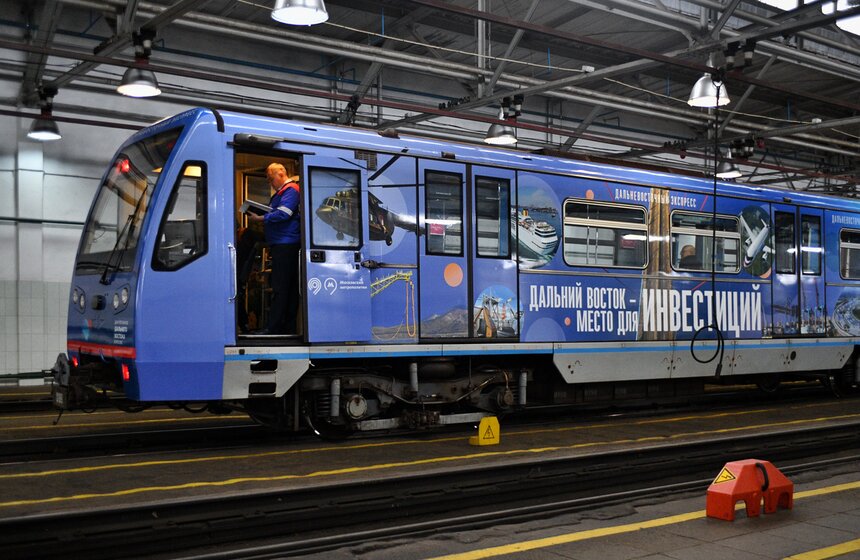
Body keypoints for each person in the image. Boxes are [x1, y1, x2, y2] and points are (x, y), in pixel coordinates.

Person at [248, 163, 300, 334]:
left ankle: (274, 328)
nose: (271, 183)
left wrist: (261, 218)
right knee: (288, 289)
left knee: (281, 288)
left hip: (286, 244)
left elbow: (284, 213)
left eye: (271, 179)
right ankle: (286, 327)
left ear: (281, 173)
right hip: (283, 244)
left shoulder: (291, 190)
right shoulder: (282, 192)